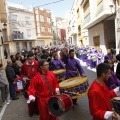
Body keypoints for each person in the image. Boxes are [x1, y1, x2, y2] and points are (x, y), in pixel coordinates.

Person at [20, 52, 39, 117]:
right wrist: (23, 78)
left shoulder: (36, 63)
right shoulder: (24, 65)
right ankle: (31, 111)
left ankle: (37, 110)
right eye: (30, 59)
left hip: (36, 83)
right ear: (27, 59)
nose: (31, 61)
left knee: (36, 97)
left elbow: (40, 72)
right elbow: (22, 73)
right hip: (28, 84)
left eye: (32, 59)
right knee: (29, 98)